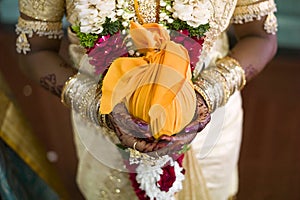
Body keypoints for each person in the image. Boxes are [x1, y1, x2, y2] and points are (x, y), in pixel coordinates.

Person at [15, 0, 277, 199]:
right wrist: (99, 107)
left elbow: (261, 36)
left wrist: (206, 95)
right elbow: (34, 48)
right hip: (104, 135)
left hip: (210, 130)